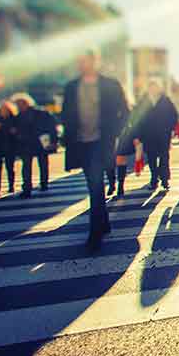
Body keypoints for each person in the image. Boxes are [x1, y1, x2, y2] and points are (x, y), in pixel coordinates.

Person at [61, 49, 129, 250]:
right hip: (81, 142)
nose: (82, 64)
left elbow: (125, 111)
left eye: (86, 60)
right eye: (80, 61)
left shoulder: (110, 84)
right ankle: (104, 223)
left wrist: (115, 132)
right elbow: (65, 113)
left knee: (96, 185)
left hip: (102, 140)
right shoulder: (71, 87)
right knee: (94, 184)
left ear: (95, 61)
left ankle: (95, 234)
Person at [12, 93, 58, 198]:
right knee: (27, 166)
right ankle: (28, 187)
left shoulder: (41, 113)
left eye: (20, 103)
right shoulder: (18, 116)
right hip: (26, 144)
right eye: (17, 104)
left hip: (41, 142)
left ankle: (43, 183)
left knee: (42, 163)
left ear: (26, 103)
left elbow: (52, 127)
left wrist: (53, 141)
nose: (18, 106)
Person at [139, 80, 178, 191]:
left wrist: (169, 128)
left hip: (163, 134)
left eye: (155, 87)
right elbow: (138, 118)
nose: (153, 89)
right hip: (148, 135)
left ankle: (165, 180)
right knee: (151, 158)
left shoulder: (165, 100)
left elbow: (173, 115)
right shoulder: (143, 101)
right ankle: (154, 179)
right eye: (151, 87)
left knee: (164, 157)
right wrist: (140, 134)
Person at [113, 93, 150, 197]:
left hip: (123, 138)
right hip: (110, 138)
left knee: (121, 160)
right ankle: (112, 183)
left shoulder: (127, 109)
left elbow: (134, 124)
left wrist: (136, 137)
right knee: (111, 163)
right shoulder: (107, 107)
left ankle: (120, 184)